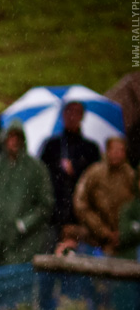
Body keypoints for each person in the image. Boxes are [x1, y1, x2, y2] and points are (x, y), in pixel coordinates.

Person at [0, 122, 54, 268]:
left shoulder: (35, 169)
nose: (14, 142)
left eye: (18, 137)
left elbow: (45, 204)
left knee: (16, 280)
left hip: (23, 240)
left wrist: (24, 224)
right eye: (11, 137)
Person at [39, 99, 101, 237]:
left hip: (81, 216)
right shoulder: (51, 146)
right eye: (68, 111)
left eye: (76, 112)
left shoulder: (91, 149)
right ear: (63, 115)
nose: (72, 116)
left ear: (82, 116)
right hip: (53, 215)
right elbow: (42, 177)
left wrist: (76, 170)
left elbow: (95, 182)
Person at [70, 137, 136, 255]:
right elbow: (81, 203)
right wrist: (102, 230)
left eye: (120, 150)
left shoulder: (131, 176)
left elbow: (135, 205)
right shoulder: (94, 172)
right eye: (113, 149)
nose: (116, 154)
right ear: (107, 151)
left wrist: (125, 232)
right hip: (95, 239)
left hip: (125, 242)